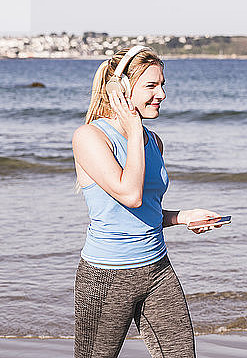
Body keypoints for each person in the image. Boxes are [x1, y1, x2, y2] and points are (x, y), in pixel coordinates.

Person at [71, 46, 222, 358]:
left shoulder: (154, 142)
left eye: (163, 84)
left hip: (157, 269)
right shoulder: (90, 137)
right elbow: (129, 193)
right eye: (151, 85)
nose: (162, 94)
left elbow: (143, 209)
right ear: (122, 90)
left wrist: (184, 217)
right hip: (108, 276)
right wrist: (133, 126)